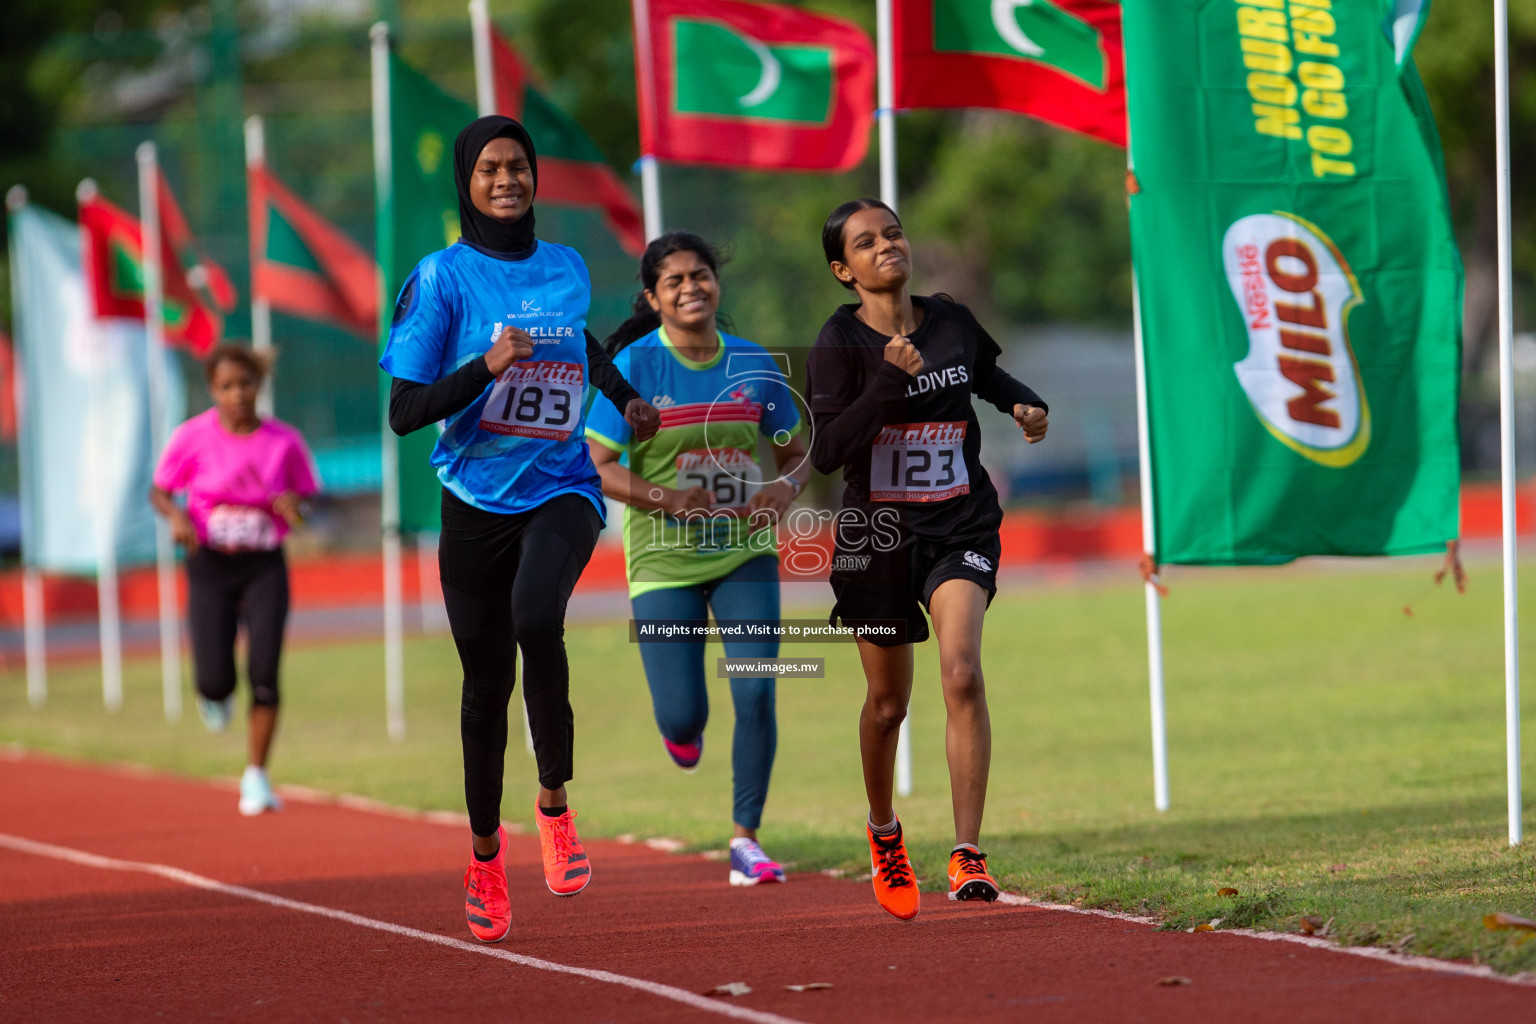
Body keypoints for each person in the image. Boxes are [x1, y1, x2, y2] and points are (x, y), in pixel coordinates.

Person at [379, 115, 659, 944]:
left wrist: (622, 399)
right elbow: (404, 413)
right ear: (467, 182)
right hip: (473, 504)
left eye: (520, 167)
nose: (508, 180)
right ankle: (485, 855)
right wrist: (485, 368)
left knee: (538, 615)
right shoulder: (440, 281)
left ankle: (555, 806)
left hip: (562, 486)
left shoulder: (566, 266)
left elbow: (580, 351)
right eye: (492, 168)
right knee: (484, 688)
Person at [806, 198, 1049, 921]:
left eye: (894, 233)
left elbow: (988, 377)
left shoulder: (951, 321)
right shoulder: (837, 344)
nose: (887, 247)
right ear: (842, 270)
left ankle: (968, 851)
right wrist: (886, 378)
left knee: (962, 673)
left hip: (958, 525)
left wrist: (1024, 404)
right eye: (866, 243)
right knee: (887, 706)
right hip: (876, 540)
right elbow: (826, 452)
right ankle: (885, 833)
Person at [586, 232, 808, 887]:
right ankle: (682, 732)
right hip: (663, 564)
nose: (691, 288)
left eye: (701, 275)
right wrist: (668, 499)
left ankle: (747, 839)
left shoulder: (755, 365)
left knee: (758, 692)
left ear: (717, 283)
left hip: (745, 554)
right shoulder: (633, 369)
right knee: (683, 715)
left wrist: (782, 490)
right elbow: (597, 465)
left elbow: (796, 454)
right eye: (675, 281)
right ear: (653, 298)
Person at [150, 344, 319, 817]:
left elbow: (307, 509)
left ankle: (256, 777)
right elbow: (159, 491)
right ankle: (214, 696)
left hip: (264, 564)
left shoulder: (284, 442)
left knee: (264, 671)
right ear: (212, 391)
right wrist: (177, 518)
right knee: (215, 679)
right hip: (210, 563)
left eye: (245, 384)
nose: (237, 394)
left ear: (258, 387)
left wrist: (295, 510)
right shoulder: (192, 437)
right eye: (226, 386)